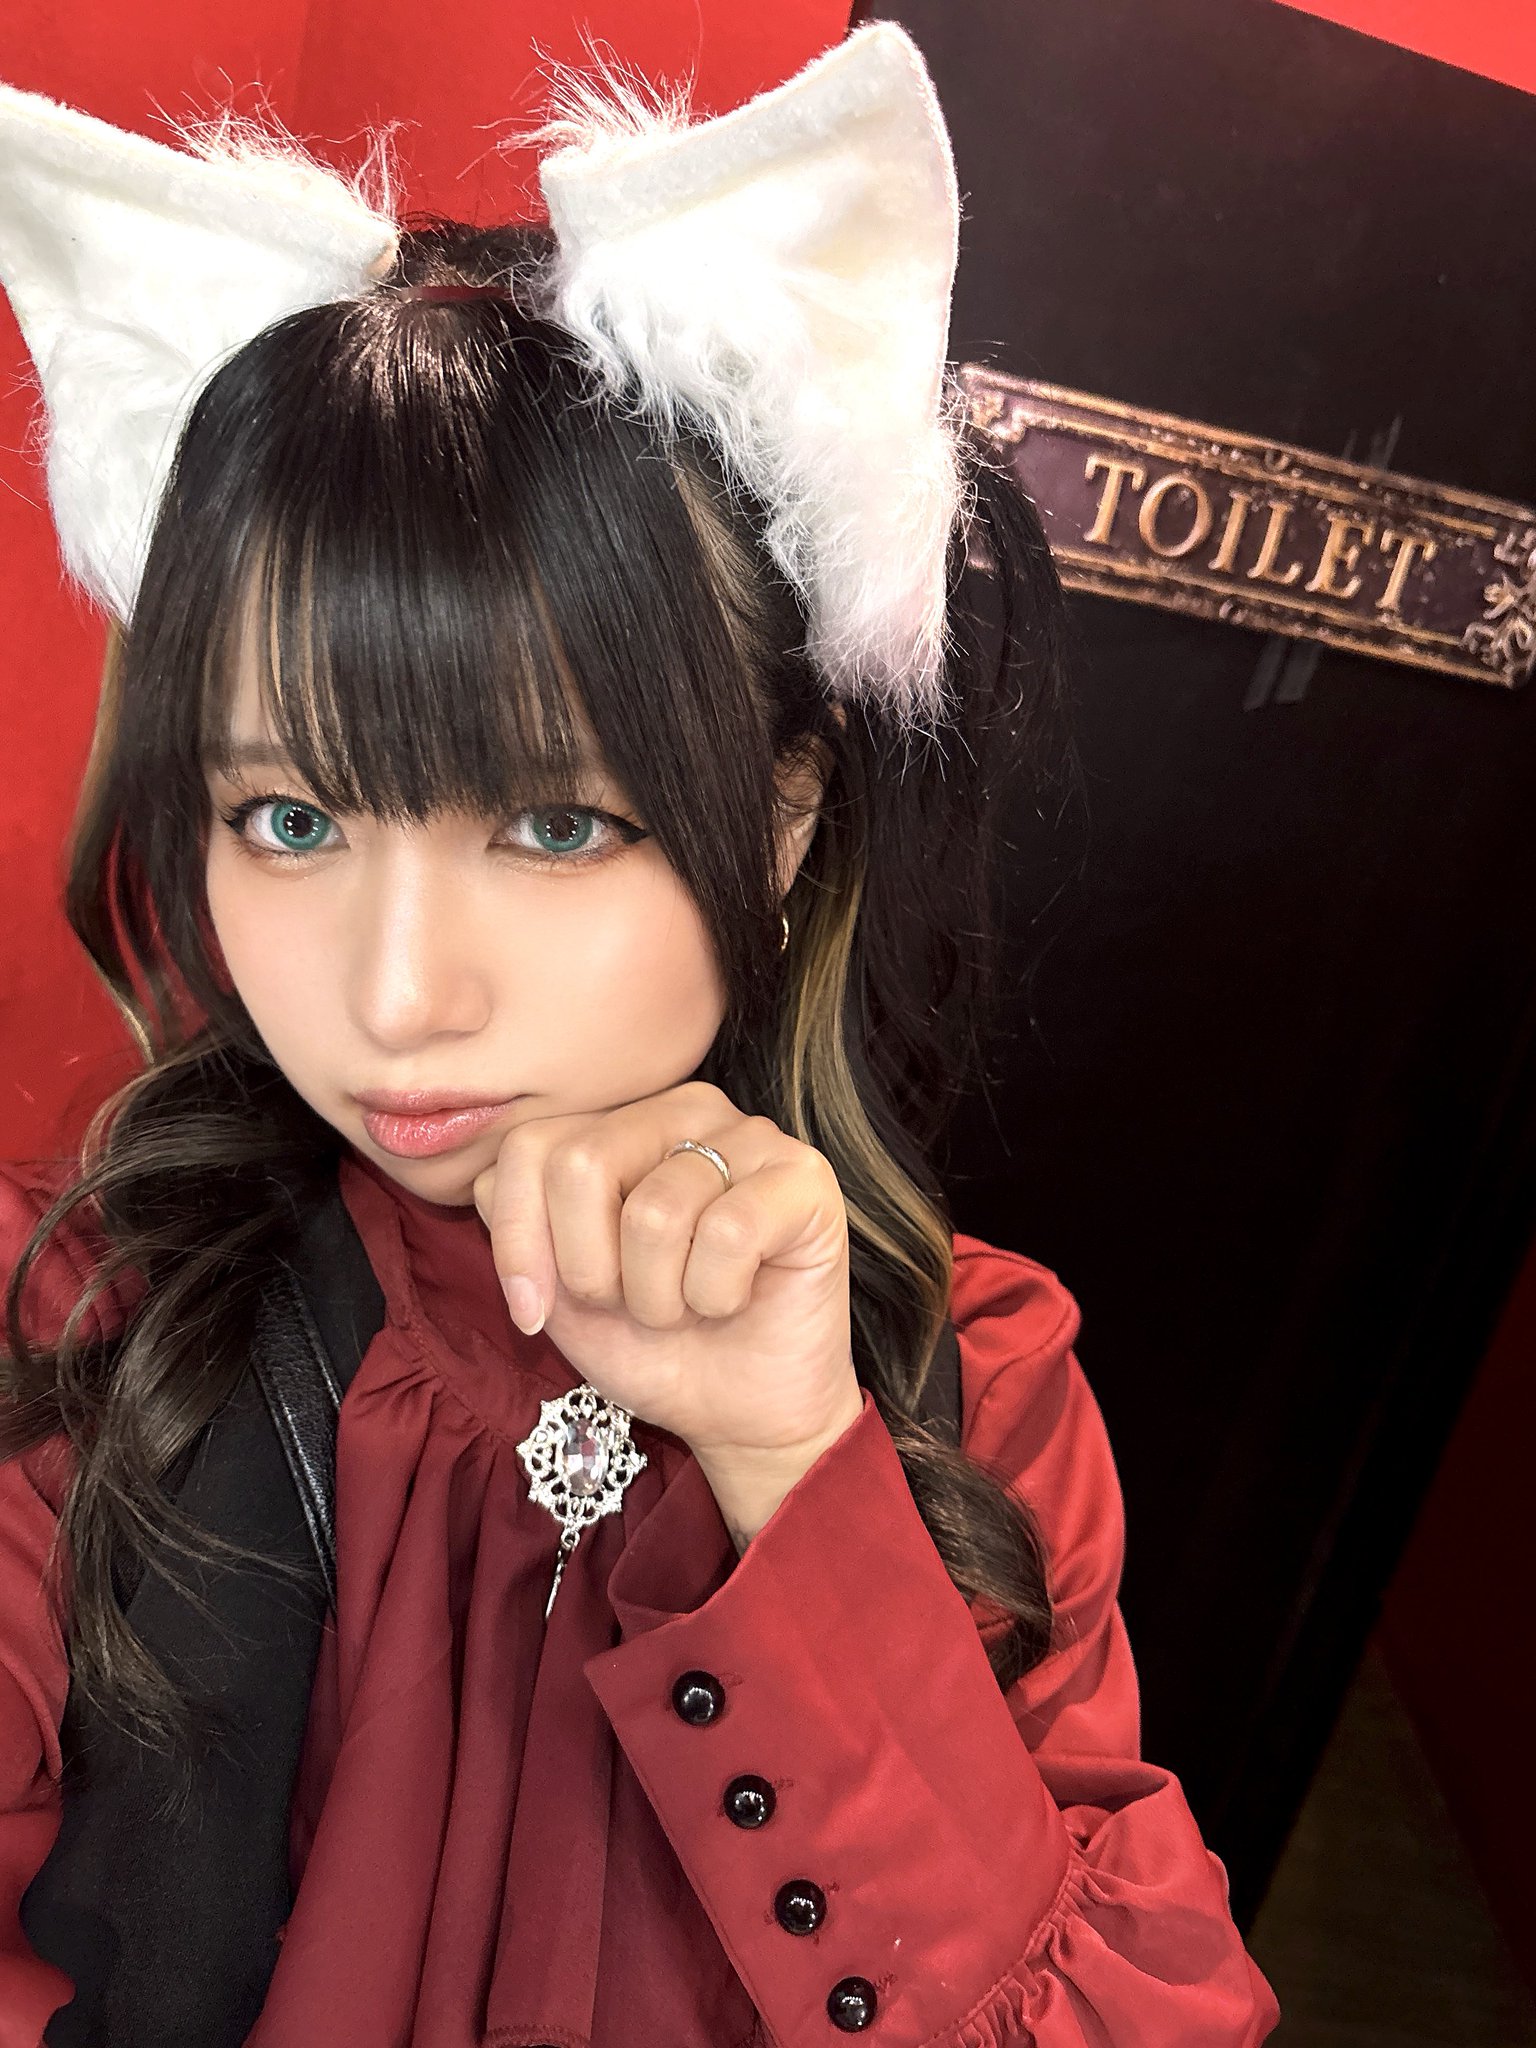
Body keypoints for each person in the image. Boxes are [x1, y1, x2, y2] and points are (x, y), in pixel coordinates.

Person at [0, 22, 1280, 2046]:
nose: (395, 995)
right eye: (293, 819)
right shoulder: (90, 1312)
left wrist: (793, 1466)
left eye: (552, 824)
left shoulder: (976, 1385)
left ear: (781, 817)